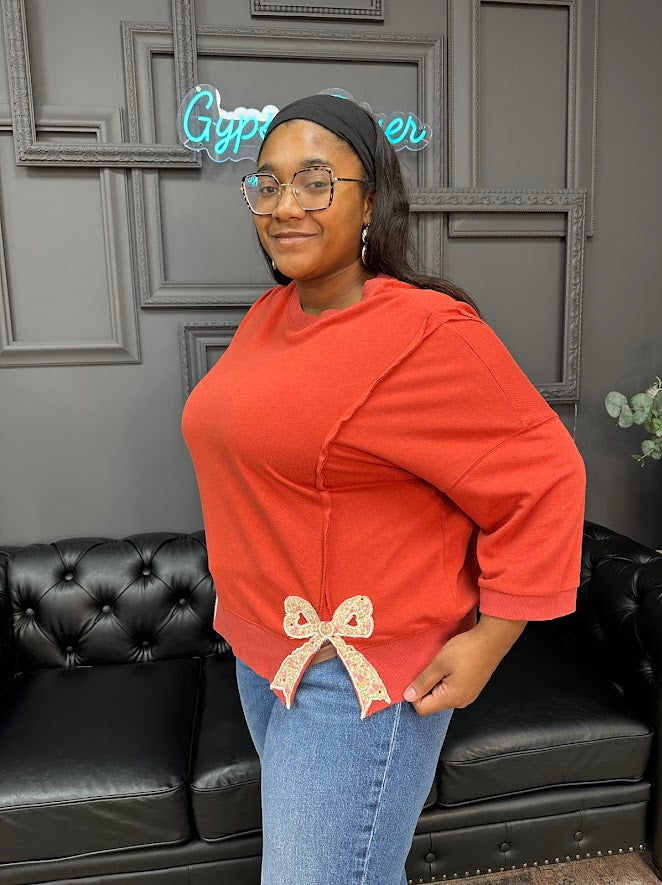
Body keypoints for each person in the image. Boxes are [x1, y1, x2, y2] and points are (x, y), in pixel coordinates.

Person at [181, 93, 587, 885]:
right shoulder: (268, 315)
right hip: (264, 653)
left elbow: (546, 475)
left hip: (354, 675)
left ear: (372, 198)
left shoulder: (424, 332)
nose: (284, 205)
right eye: (266, 185)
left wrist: (491, 639)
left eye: (314, 181)